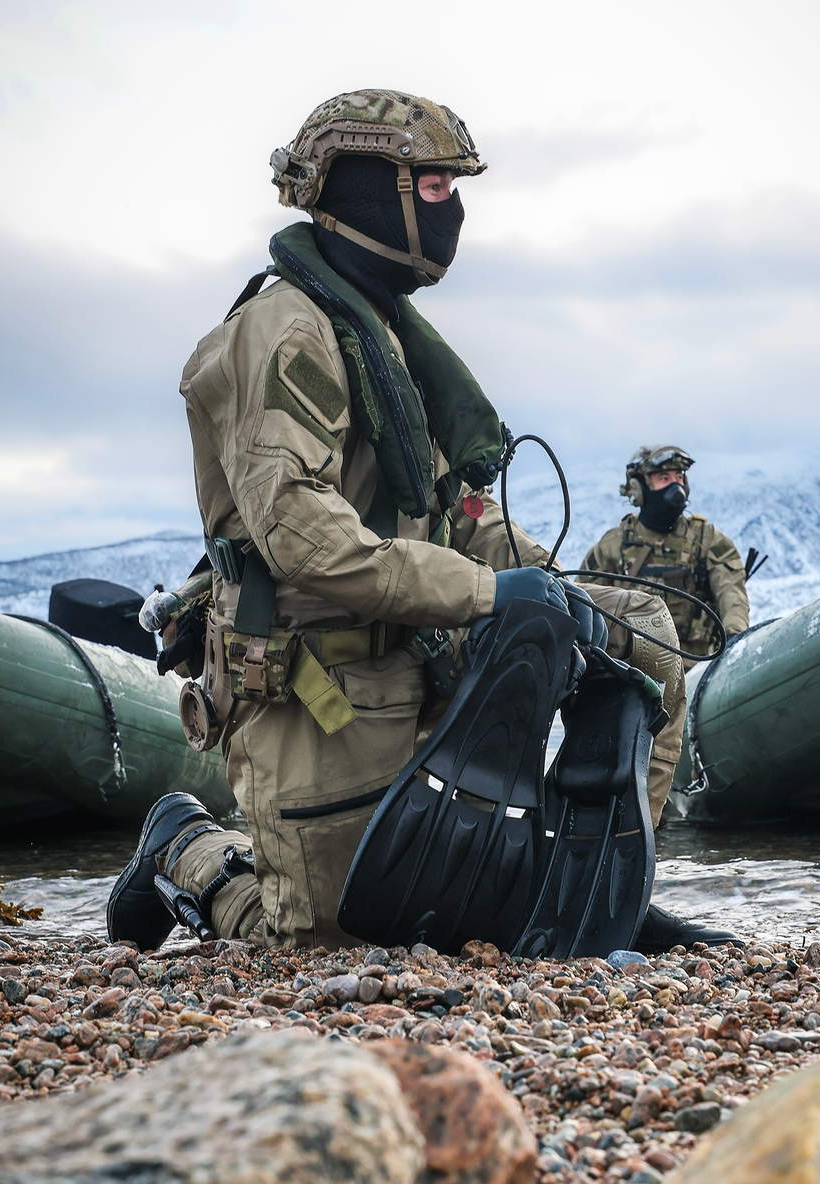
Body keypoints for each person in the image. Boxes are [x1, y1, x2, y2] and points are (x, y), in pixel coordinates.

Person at [108, 91, 733, 956]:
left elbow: (452, 518)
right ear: (370, 191)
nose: (455, 209)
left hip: (421, 669)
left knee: (645, 637)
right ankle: (190, 848)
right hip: (320, 696)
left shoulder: (390, 348)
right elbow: (298, 529)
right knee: (329, 942)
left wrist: (544, 587)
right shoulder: (284, 334)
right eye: (434, 185)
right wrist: (483, 592)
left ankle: (604, 883)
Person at [582, 447, 749, 668]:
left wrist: (735, 638)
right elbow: (582, 600)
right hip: (630, 672)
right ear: (639, 488)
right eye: (664, 478)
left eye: (679, 478)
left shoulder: (709, 542)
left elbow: (733, 595)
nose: (676, 487)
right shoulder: (613, 544)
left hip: (696, 669)